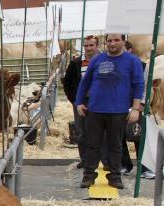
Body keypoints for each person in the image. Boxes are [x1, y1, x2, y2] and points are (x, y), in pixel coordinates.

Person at [75, 33, 146, 189]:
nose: (112, 43)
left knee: (115, 145)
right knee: (92, 145)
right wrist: (79, 102)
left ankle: (114, 177)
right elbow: (84, 83)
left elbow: (138, 85)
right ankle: (88, 176)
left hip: (119, 111)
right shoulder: (96, 60)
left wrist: (135, 108)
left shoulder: (133, 61)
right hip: (95, 110)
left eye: (116, 40)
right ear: (105, 42)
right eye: (109, 41)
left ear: (123, 41)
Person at [63, 35, 101, 168]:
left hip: (100, 101)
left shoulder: (104, 61)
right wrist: (74, 100)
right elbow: (67, 82)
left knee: (101, 130)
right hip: (81, 101)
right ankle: (85, 159)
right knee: (81, 131)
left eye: (91, 45)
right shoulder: (75, 63)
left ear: (97, 46)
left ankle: (102, 159)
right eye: (86, 45)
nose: (89, 48)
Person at [122, 40, 154, 179]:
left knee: (139, 136)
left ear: (129, 50)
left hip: (137, 106)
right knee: (119, 136)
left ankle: (145, 168)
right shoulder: (116, 64)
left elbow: (146, 85)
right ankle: (124, 165)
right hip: (120, 105)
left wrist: (141, 103)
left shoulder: (141, 65)